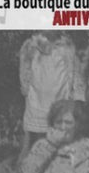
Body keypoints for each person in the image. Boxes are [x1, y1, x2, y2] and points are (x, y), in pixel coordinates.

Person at [18, 31, 85, 165]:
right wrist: (26, 89)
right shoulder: (31, 45)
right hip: (37, 100)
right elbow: (25, 70)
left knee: (59, 137)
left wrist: (78, 95)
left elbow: (75, 71)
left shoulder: (66, 46)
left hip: (59, 98)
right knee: (35, 140)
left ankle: (57, 171)